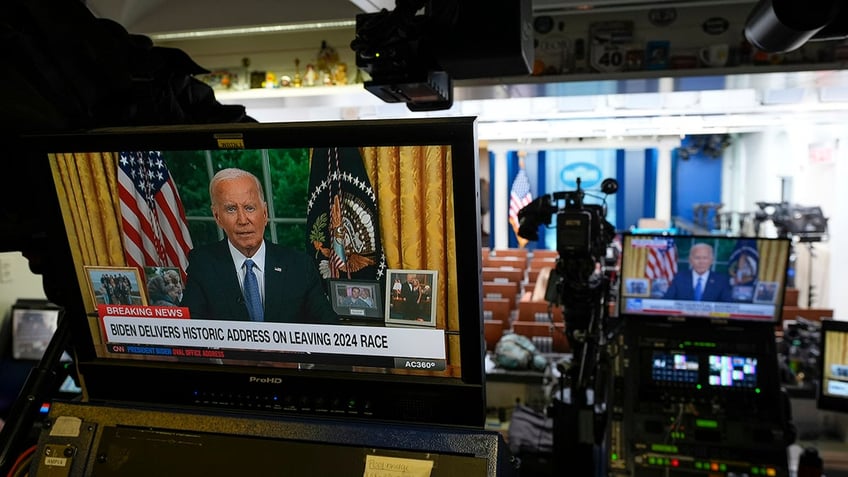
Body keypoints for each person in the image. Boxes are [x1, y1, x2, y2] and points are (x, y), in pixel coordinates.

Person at [180, 168, 338, 323]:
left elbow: (329, 328)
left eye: (249, 208)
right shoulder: (202, 265)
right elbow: (189, 332)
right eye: (231, 209)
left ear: (264, 213)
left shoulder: (299, 266)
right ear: (217, 217)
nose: (242, 220)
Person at [663, 243, 733, 302]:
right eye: (697, 258)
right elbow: (667, 301)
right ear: (690, 260)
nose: (701, 262)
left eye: (705, 258)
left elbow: (727, 305)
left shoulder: (721, 280)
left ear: (711, 260)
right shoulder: (679, 277)